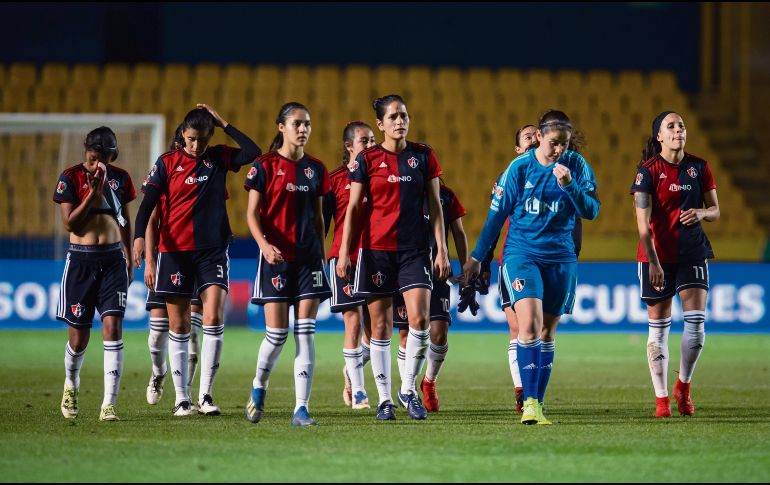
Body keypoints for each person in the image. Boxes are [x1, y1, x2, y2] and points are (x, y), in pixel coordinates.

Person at [463, 110, 599, 425]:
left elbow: (591, 211)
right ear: (539, 137)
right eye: (554, 143)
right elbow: (496, 216)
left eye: (564, 144)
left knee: (547, 333)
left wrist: (570, 187)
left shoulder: (576, 167)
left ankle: (539, 401)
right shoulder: (519, 169)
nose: (559, 150)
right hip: (522, 254)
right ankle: (530, 403)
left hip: (561, 258)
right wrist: (477, 257)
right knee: (528, 326)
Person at [133, 104, 261, 416]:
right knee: (176, 326)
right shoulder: (166, 164)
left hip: (212, 251)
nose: (195, 146)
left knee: (214, 317)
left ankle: (205, 396)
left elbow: (254, 152)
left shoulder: (217, 157)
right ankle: (181, 399)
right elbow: (148, 203)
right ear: (182, 136)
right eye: (190, 139)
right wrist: (139, 238)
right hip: (174, 253)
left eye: (201, 140)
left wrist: (224, 122)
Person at [336, 94, 451, 421]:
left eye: (404, 116)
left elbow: (436, 205)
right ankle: (385, 399)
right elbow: (354, 208)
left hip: (415, 251)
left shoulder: (423, 156)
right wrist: (345, 251)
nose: (400, 121)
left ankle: (408, 389)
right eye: (393, 117)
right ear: (381, 124)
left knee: (420, 321)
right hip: (376, 252)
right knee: (381, 327)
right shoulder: (366, 160)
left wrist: (441, 249)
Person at [244, 102, 332, 427]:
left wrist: (321, 258)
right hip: (276, 261)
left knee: (306, 333)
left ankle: (301, 409)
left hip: (308, 260)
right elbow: (251, 214)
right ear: (281, 127)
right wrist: (264, 246)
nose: (303, 129)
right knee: (277, 335)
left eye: (307, 123)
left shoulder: (316, 169)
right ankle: (259, 385)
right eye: (297, 123)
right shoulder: (264, 166)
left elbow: (320, 219)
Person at [630, 111, 719, 418]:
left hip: (692, 252)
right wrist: (653, 261)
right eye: (671, 126)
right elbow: (643, 225)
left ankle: (684, 386)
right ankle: (662, 399)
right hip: (657, 257)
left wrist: (701, 213)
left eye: (681, 125)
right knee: (658, 331)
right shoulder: (648, 172)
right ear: (660, 137)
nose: (679, 130)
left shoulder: (699, 167)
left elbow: (716, 210)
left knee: (696, 324)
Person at [53, 126, 136, 421]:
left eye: (102, 158)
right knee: (78, 339)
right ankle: (71, 384)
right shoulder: (70, 177)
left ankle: (109, 404)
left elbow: (125, 219)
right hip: (81, 262)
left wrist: (129, 256)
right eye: (92, 157)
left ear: (111, 156)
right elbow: (70, 225)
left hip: (113, 260)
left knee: (113, 327)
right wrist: (92, 195)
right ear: (86, 151)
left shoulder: (121, 178)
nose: (96, 163)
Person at [392, 178, 468, 412]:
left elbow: (458, 232)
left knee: (439, 332)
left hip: (438, 270)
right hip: (405, 268)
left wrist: (465, 267)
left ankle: (429, 381)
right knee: (406, 333)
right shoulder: (402, 191)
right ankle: (409, 389)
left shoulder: (446, 195)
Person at [143, 124, 205, 407]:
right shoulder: (165, 171)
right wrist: (149, 262)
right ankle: (158, 373)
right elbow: (151, 220)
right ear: (180, 140)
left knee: (190, 334)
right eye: (190, 140)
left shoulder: (203, 172)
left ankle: (185, 396)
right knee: (157, 334)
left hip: (196, 257)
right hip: (167, 258)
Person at [323, 121, 376, 410]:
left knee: (376, 331)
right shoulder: (334, 180)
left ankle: (350, 369)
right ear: (349, 147)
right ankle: (359, 392)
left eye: (372, 140)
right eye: (364, 141)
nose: (370, 145)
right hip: (344, 260)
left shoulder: (381, 175)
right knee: (353, 322)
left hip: (376, 259)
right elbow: (321, 224)